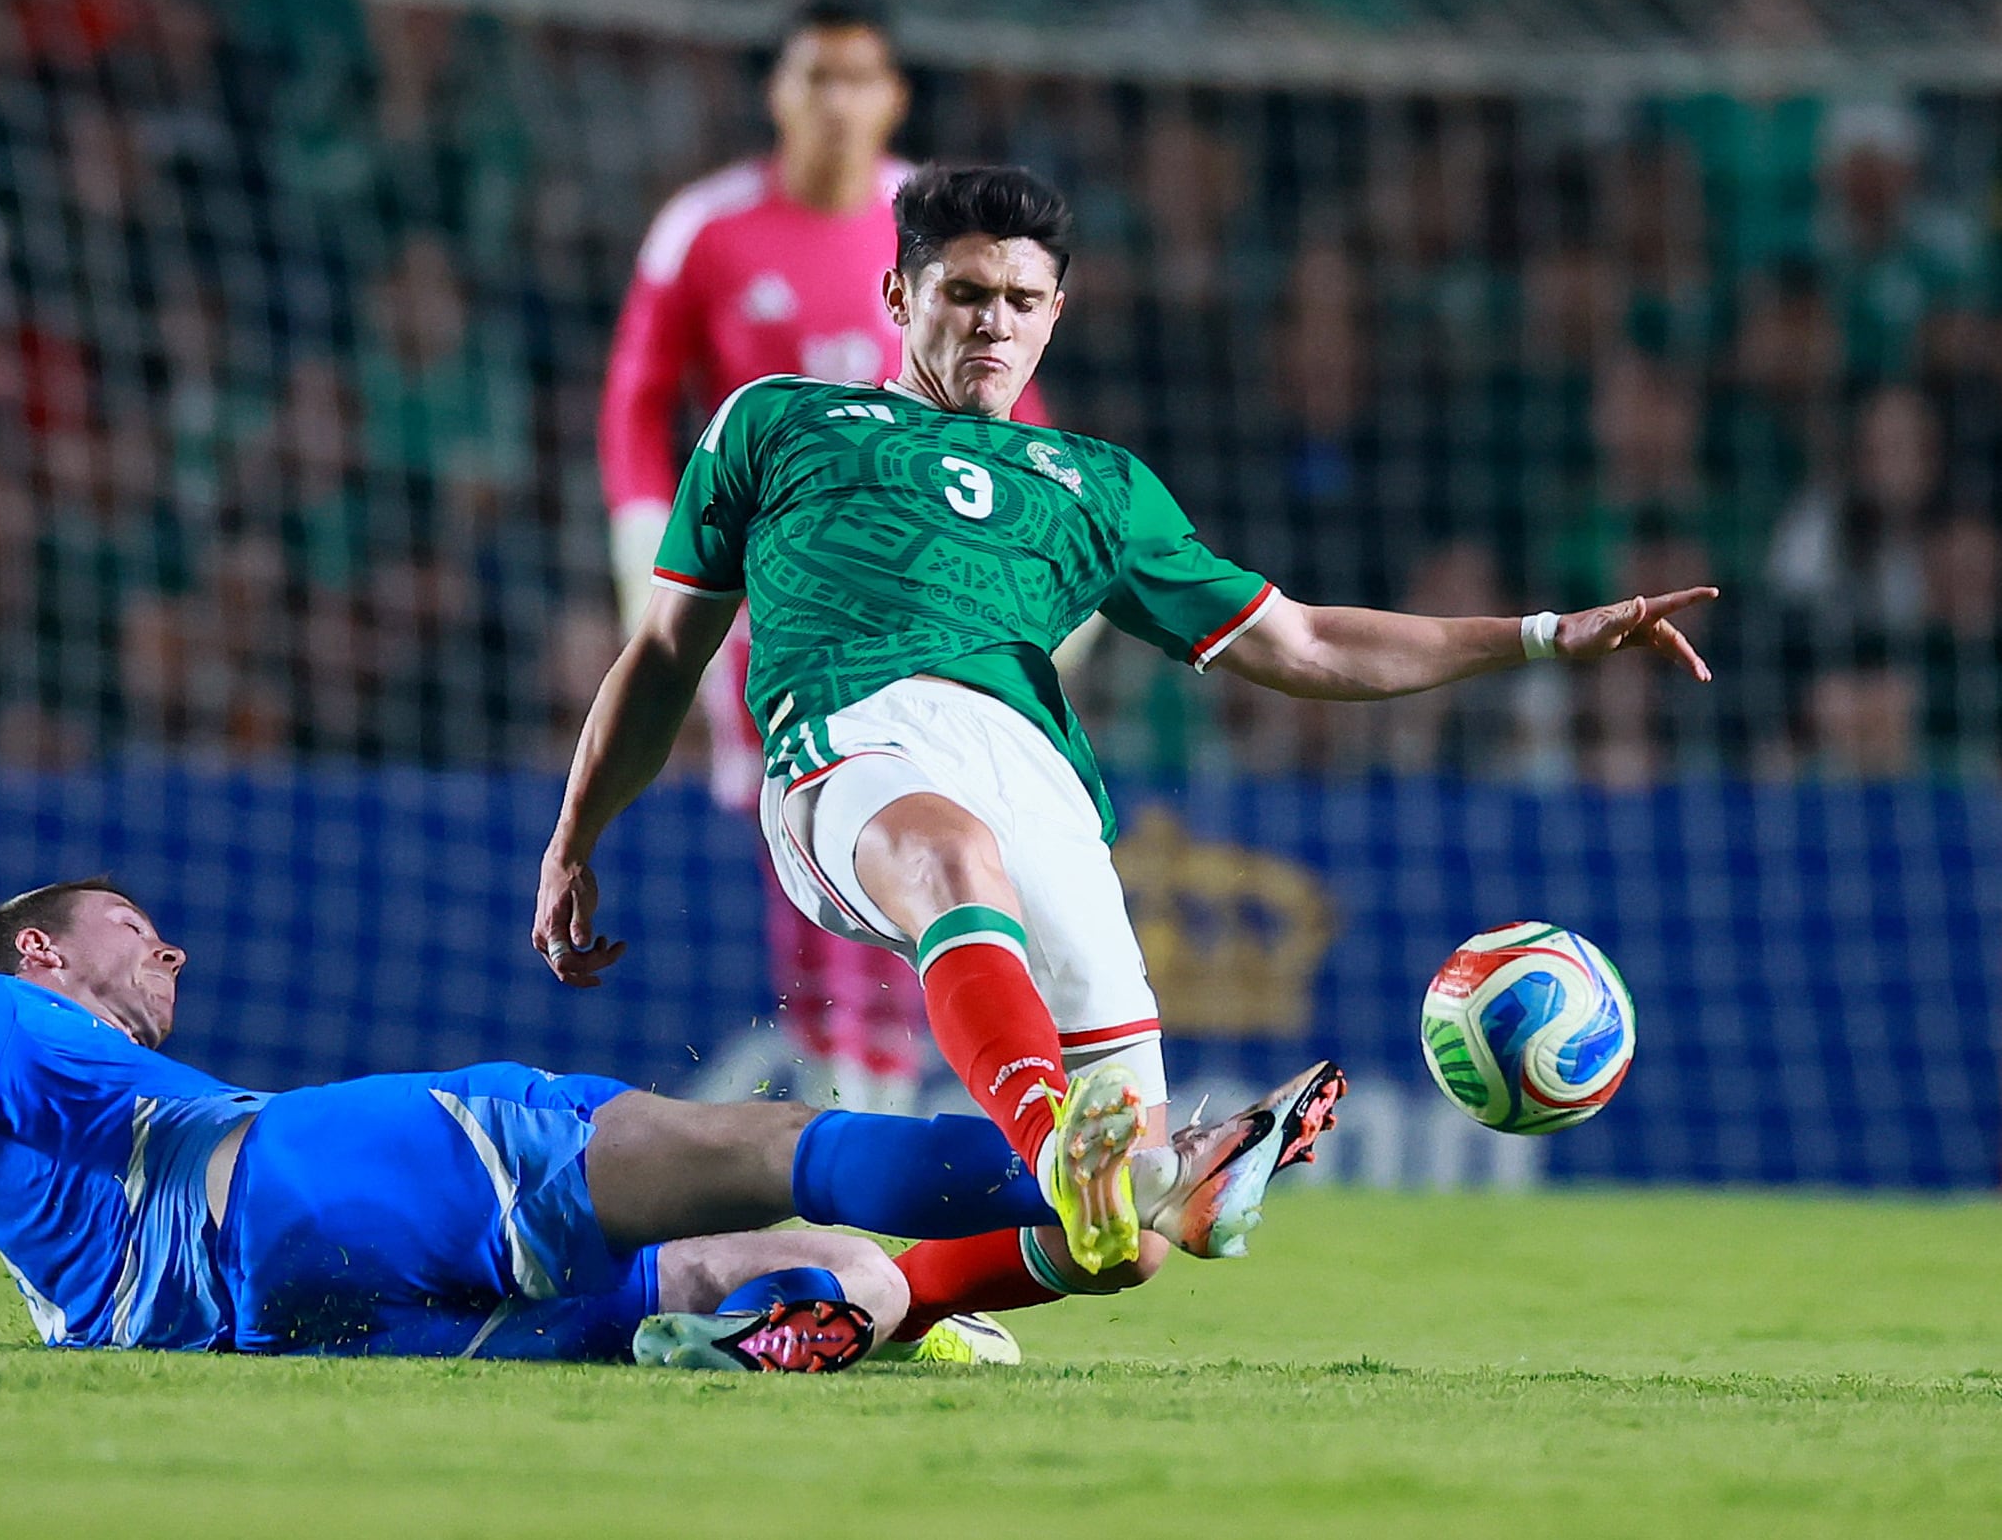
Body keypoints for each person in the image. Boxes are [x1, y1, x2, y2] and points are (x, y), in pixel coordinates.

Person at [535, 164, 1715, 1329]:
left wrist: (1547, 635)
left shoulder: (1098, 486)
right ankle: (1080, 1154)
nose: (990, 319)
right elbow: (663, 657)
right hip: (849, 748)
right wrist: (577, 832)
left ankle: (846, 1312)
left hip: (1037, 790)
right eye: (960, 292)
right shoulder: (776, 420)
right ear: (896, 297)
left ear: (1055, 314)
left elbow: (1302, 643)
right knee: (950, 859)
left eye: (1018, 299)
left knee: (1120, 1252)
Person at [0, 655, 1081, 1372]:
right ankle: (1098, 1177)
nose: (173, 955)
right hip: (305, 1166)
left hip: (280, 1323)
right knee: (759, 1144)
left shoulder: (15, 1175)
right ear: (42, 960)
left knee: (802, 1273)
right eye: (132, 934)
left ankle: (798, 1329)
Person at [598, 0, 1064, 1110]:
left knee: (888, 814)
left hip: (924, 595)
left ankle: (877, 1091)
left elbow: (1018, 402)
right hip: (767, 593)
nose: (837, 103)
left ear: (892, 96)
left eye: (860, 80)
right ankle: (850, 1082)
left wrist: (1044, 553)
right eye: (816, 78)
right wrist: (642, 541)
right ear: (780, 93)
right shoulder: (704, 230)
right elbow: (634, 403)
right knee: (806, 823)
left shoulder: (935, 221)